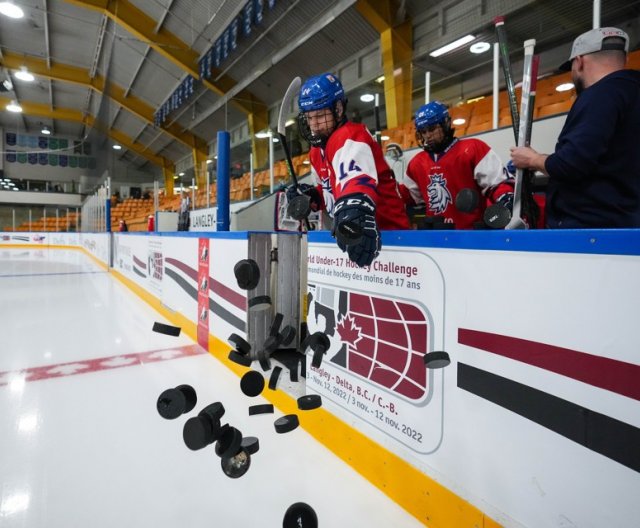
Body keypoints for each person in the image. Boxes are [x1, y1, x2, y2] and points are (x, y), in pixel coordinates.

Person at [510, 27, 640, 228]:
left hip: (591, 227)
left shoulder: (600, 95)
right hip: (628, 224)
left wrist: (533, 159)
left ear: (579, 62)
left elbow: (571, 164)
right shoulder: (630, 92)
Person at [286, 72, 409, 267]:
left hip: (390, 240)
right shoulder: (316, 152)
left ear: (339, 108)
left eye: (320, 115)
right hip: (356, 241)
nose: (314, 125)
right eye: (309, 118)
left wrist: (353, 212)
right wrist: (311, 197)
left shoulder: (350, 135)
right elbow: (331, 193)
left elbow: (356, 184)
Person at [399, 101, 515, 229]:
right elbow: (406, 195)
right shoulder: (416, 163)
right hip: (435, 237)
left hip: (471, 235)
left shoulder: (473, 149)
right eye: (423, 131)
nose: (427, 136)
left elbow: (498, 185)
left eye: (432, 129)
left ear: (446, 124)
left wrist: (505, 198)